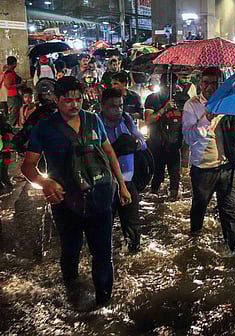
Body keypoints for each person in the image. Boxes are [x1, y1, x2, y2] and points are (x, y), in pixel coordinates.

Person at [21, 76, 132, 310]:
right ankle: (72, 296)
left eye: (79, 99)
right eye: (68, 100)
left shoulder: (93, 120)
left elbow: (108, 150)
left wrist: (121, 184)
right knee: (70, 249)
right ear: (56, 99)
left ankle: (104, 306)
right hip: (65, 200)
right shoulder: (44, 127)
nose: (75, 104)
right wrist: (45, 183)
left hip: (100, 195)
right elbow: (28, 166)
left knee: (103, 253)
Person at [182, 67, 235, 252]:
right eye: (206, 82)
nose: (209, 87)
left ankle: (233, 250)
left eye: (214, 83)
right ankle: (194, 242)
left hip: (229, 165)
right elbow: (188, 137)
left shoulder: (229, 102)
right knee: (200, 206)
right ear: (200, 83)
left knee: (230, 211)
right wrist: (206, 118)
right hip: (203, 168)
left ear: (220, 84)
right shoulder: (192, 105)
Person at [100, 88, 146, 252]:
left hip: (128, 182)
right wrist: (114, 149)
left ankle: (133, 256)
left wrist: (134, 143)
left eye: (120, 105)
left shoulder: (126, 120)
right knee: (103, 227)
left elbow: (142, 142)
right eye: (113, 106)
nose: (118, 110)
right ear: (103, 106)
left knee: (133, 226)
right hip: (105, 184)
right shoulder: (96, 124)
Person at [145, 73, 183, 200]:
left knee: (175, 178)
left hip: (174, 144)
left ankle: (173, 197)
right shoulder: (152, 99)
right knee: (157, 176)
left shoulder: (181, 99)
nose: (168, 89)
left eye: (171, 86)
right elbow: (148, 120)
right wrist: (164, 109)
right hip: (157, 144)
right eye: (166, 86)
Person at [4, 56, 24, 127]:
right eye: (15, 63)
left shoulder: (12, 72)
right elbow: (8, 86)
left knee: (17, 112)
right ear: (13, 63)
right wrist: (20, 85)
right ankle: (12, 128)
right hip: (13, 96)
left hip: (16, 95)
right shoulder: (9, 74)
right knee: (13, 113)